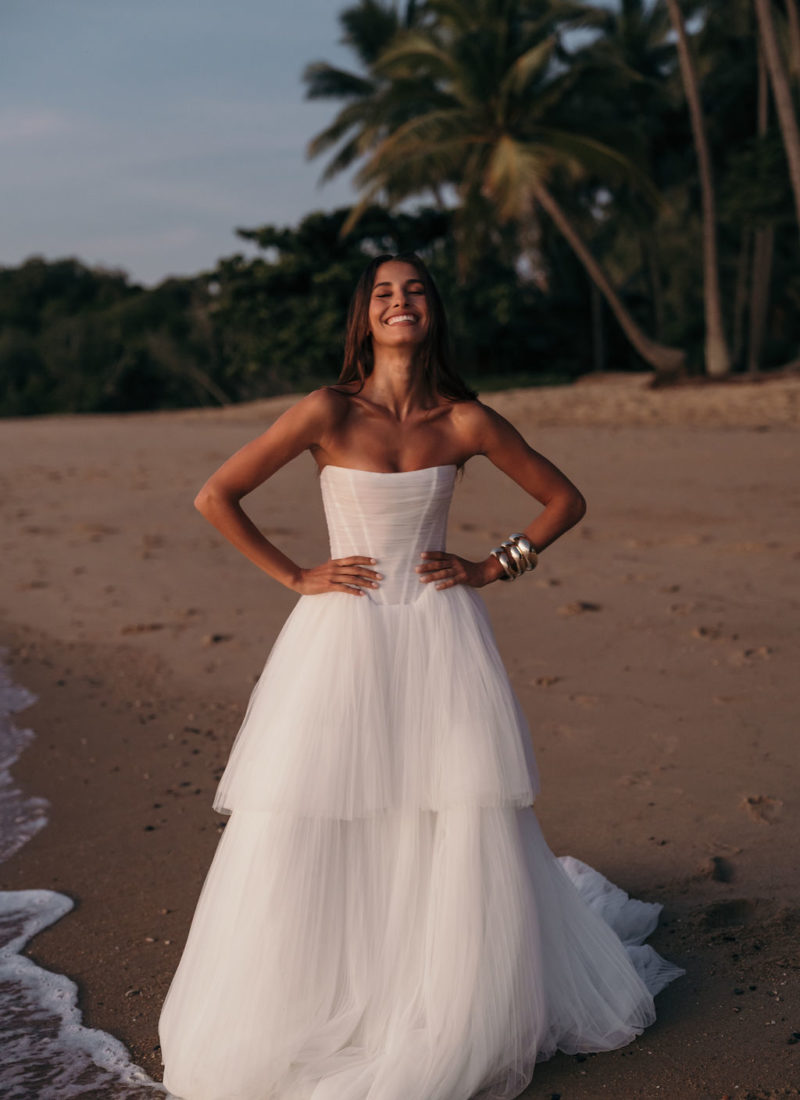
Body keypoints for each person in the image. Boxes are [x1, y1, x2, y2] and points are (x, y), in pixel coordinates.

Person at [158, 253, 683, 1100]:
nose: (401, 303)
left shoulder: (465, 420)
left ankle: (453, 993)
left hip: (441, 633)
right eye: (382, 293)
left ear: (433, 310)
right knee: (321, 806)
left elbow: (563, 501)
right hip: (343, 637)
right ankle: (331, 991)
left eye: (415, 291)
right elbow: (217, 495)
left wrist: (492, 565)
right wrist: (298, 576)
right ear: (364, 317)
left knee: (452, 804)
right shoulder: (327, 410)